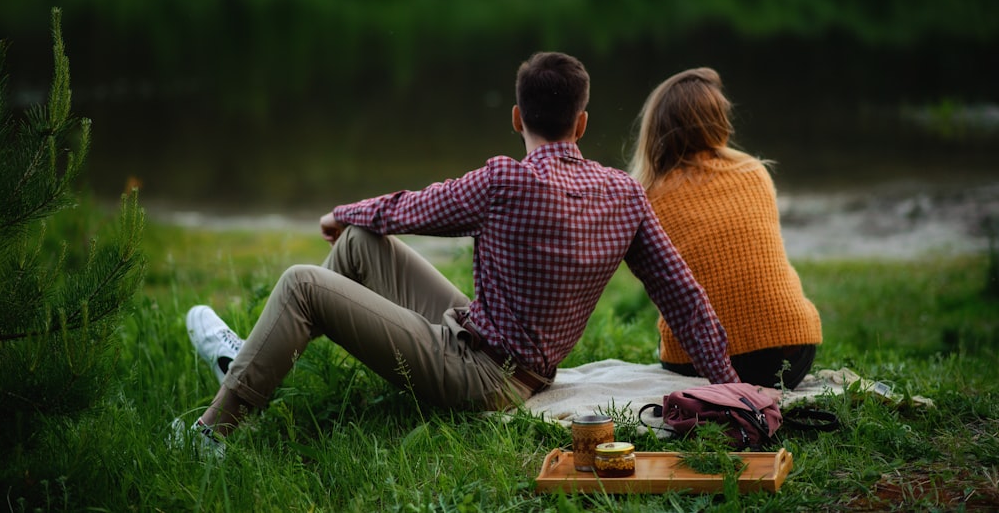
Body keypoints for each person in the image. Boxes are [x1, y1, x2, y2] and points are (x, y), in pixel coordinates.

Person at [174, 51, 739, 452]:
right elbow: (684, 299)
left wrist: (339, 210)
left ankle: (210, 434)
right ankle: (251, 358)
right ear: (582, 122)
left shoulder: (503, 181)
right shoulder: (624, 193)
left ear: (517, 118)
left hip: (483, 377)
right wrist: (730, 387)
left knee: (302, 282)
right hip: (502, 354)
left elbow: (412, 207)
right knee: (360, 244)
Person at [628, 67, 822, 389]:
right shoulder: (754, 172)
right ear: (720, 121)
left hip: (705, 362)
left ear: (656, 128)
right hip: (792, 354)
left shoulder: (649, 194)